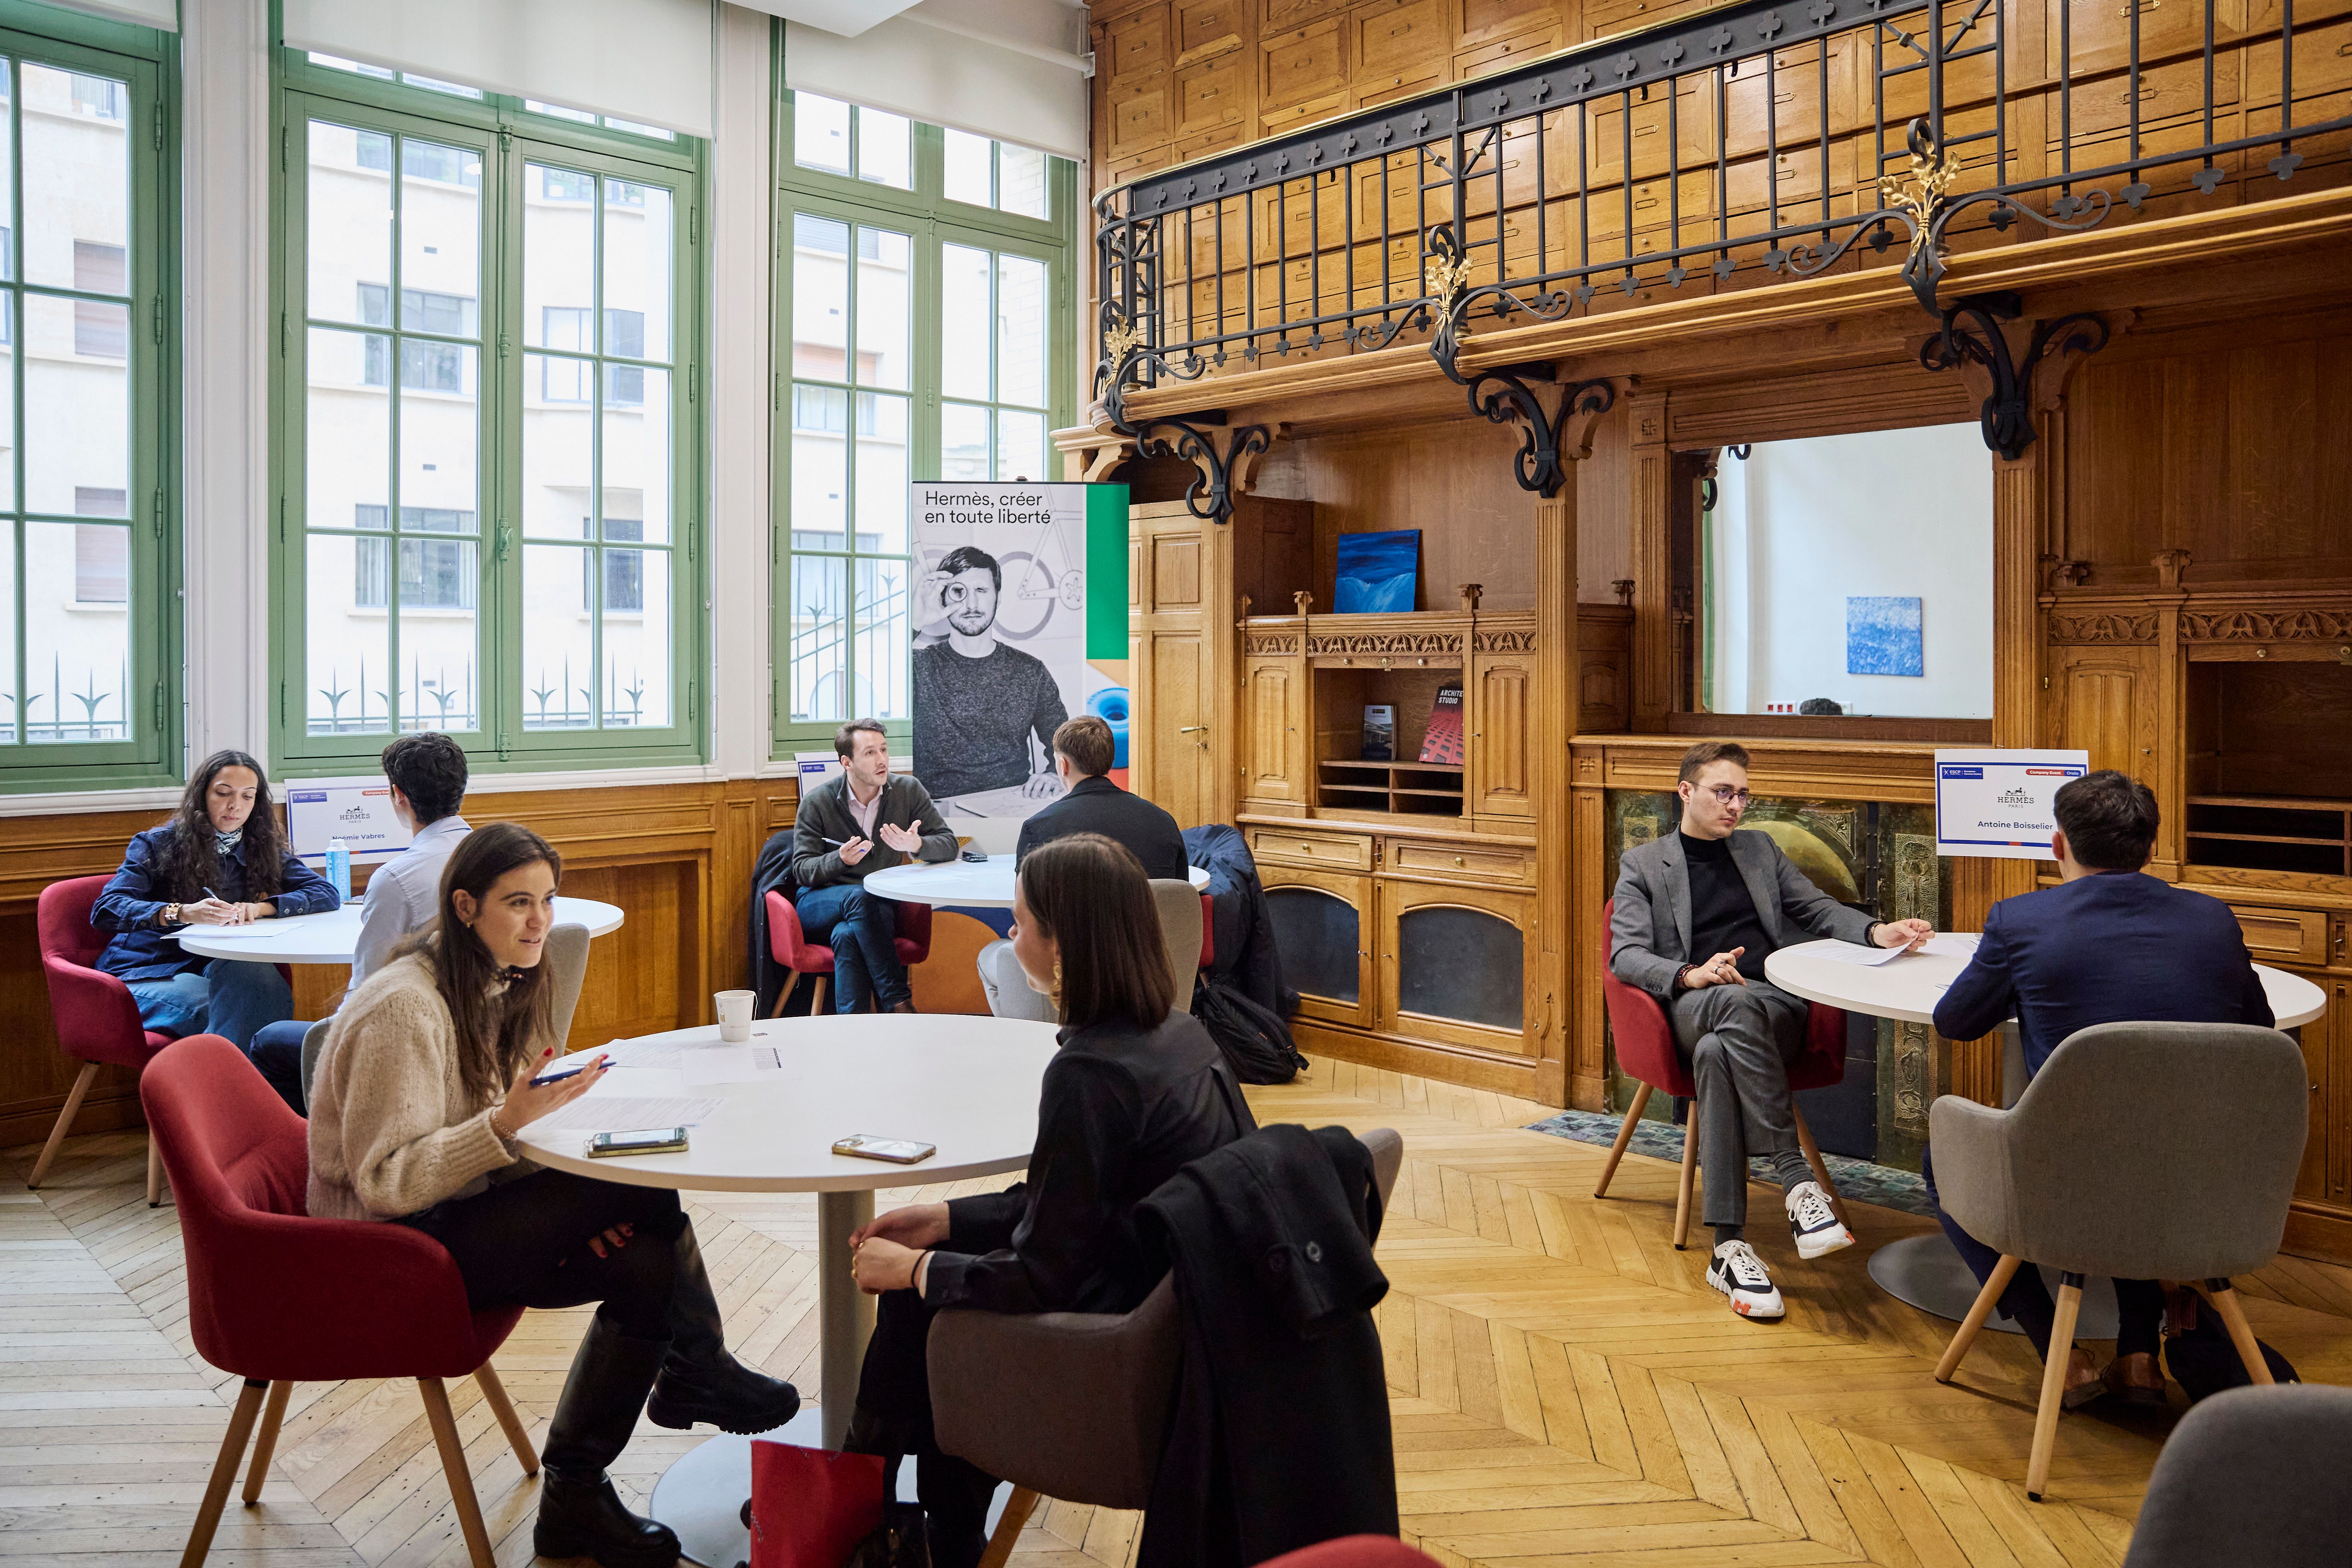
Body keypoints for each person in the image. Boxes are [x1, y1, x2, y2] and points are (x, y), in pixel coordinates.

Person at [307, 823, 799, 1568]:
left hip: (454, 1214)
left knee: (646, 1258)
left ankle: (575, 1494)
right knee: (633, 1184)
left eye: (547, 899)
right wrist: (511, 1132)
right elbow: (387, 1183)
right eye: (518, 902)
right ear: (465, 907)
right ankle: (696, 1367)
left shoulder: (483, 981)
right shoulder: (404, 1007)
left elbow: (482, 1136)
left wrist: (560, 1209)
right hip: (390, 1254)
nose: (540, 921)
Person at [843, 833, 1255, 1567]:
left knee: (918, 1303)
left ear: (1063, 945)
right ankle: (888, 1508)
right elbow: (1072, 1203)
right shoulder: (1180, 1035)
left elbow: (1042, 1271)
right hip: (1191, 1317)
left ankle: (872, 1509)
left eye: (1021, 921)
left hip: (1123, 1347)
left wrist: (914, 1269)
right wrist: (943, 1219)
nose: (1011, 934)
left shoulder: (1090, 1073)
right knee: (924, 1283)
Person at [1928, 770, 2274, 1407]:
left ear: (2058, 845)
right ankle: (2138, 1356)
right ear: (2150, 847)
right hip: (2201, 1178)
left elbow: (1955, 1022)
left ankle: (2059, 1355)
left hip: (2069, 1180)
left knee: (1944, 1159)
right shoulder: (2214, 920)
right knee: (2140, 1133)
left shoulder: (2021, 921)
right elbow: (2260, 1028)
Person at [1609, 740, 1932, 1320]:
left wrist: (1876, 932)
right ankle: (1796, 1179)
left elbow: (1817, 909)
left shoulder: (1759, 850)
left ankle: (1728, 1247)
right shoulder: (1644, 865)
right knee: (1723, 1014)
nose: (1735, 806)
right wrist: (1690, 974)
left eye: (1742, 795)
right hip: (1695, 1002)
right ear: (1686, 792)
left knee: (1718, 1051)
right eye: (1722, 793)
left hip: (1772, 1006)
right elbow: (1626, 955)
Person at [246, 732, 473, 1111]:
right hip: (477, 1030)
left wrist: (333, 1031)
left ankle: (328, 1141)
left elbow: (368, 991)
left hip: (410, 1039)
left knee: (269, 1040)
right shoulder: (496, 858)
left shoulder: (397, 878)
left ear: (398, 795)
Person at [92, 750, 340, 1051]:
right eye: (224, 794)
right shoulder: (157, 843)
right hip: (148, 970)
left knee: (256, 982)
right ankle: (242, 1081)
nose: (235, 806)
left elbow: (325, 892)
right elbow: (106, 909)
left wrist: (261, 908)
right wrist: (182, 912)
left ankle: (245, 1079)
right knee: (240, 1012)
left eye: (247, 796)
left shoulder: (259, 845)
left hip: (211, 966)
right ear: (202, 795)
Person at [791, 718, 959, 1013]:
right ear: (847, 762)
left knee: (847, 935)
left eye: (884, 749)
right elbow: (802, 870)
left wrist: (917, 845)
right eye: (870, 753)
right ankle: (898, 1001)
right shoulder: (818, 802)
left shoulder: (907, 791)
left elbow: (949, 844)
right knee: (859, 897)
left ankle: (853, 1030)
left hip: (877, 910)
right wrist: (840, 859)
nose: (882, 760)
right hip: (819, 903)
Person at [911, 545, 1070, 801]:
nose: (971, 604)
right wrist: (915, 622)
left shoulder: (1031, 671)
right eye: (959, 592)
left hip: (1012, 803)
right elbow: (872, 676)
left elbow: (1067, 744)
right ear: (943, 599)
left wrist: (1054, 774)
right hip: (936, 809)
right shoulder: (918, 666)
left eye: (981, 591)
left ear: (998, 597)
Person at [1014, 715, 1189, 880]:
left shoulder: (1038, 828)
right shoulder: (1163, 821)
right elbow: (1178, 892)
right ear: (1111, 760)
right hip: (1146, 905)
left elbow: (1025, 900)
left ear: (1063, 766)